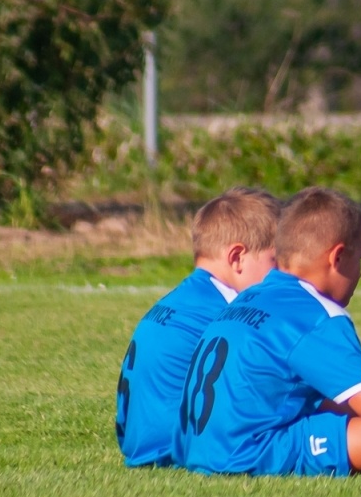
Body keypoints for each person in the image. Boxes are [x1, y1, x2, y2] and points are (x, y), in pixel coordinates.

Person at [176, 187, 361, 476]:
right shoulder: (316, 313)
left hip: (197, 449)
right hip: (250, 451)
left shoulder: (247, 298)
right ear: (338, 257)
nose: (359, 272)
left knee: (340, 415)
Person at [115, 187, 281, 467]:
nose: (284, 272)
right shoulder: (228, 314)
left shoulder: (179, 300)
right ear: (237, 257)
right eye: (276, 261)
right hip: (177, 450)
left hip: (141, 446)